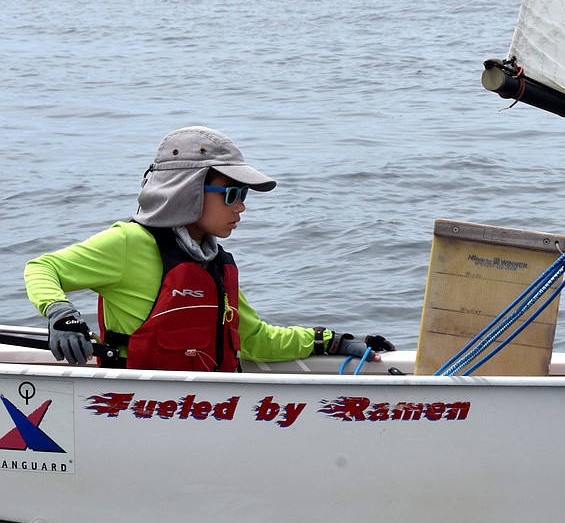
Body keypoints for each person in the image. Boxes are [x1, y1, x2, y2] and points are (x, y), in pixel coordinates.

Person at [23, 125, 394, 371]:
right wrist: (61, 316)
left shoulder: (215, 263)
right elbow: (43, 268)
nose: (241, 207)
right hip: (137, 408)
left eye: (244, 194)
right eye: (232, 194)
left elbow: (254, 340)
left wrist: (331, 340)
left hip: (205, 410)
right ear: (186, 191)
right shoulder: (128, 243)